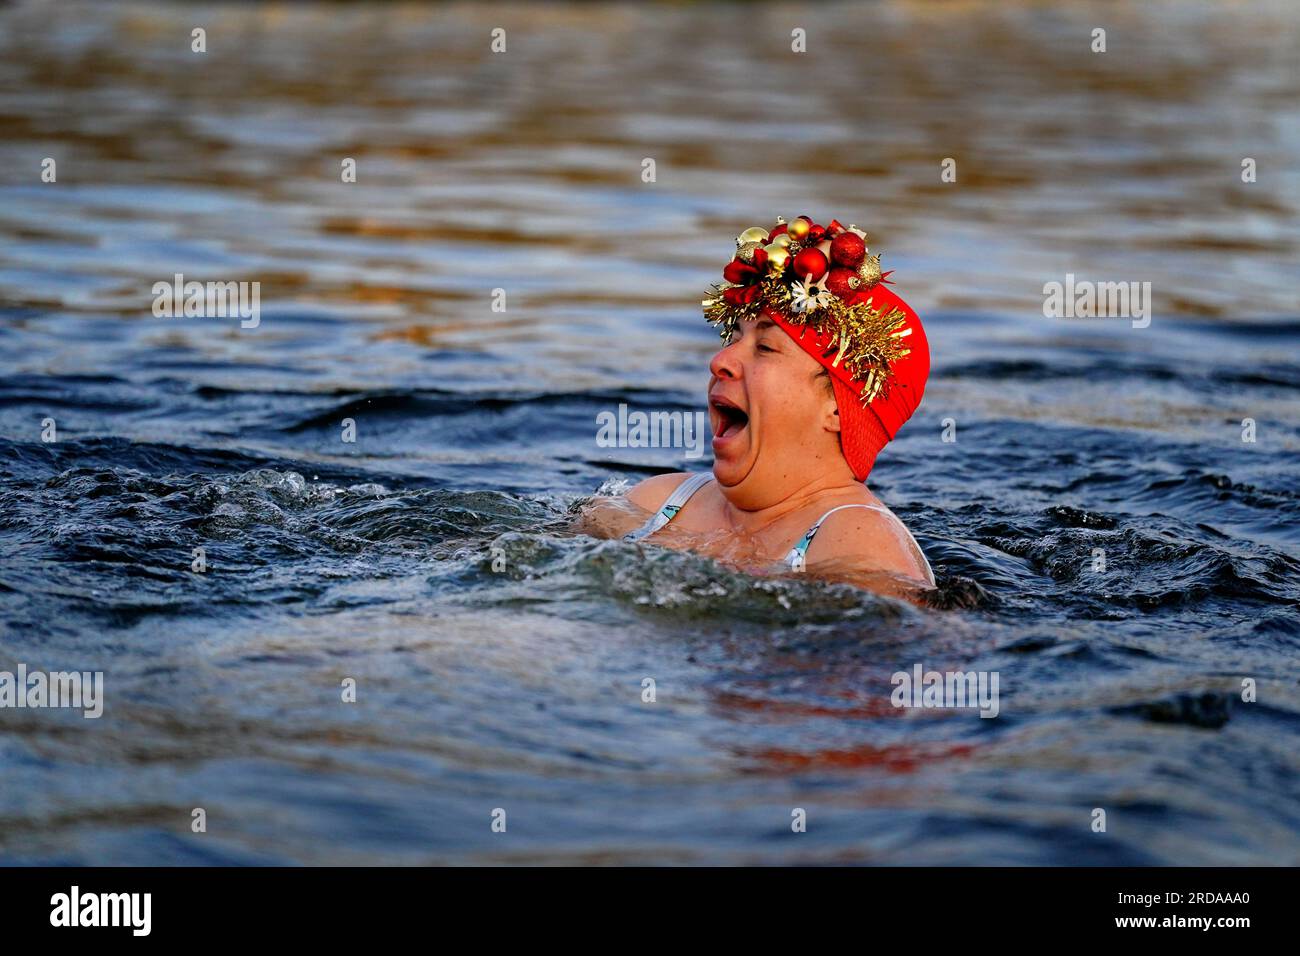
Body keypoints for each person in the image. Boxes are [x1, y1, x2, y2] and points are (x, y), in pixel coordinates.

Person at [580, 215, 933, 595]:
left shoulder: (860, 548)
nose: (720, 362)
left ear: (837, 408)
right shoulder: (657, 504)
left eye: (764, 348)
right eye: (732, 339)